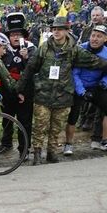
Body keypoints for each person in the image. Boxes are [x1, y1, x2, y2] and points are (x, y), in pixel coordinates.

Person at [17, 16, 107, 166]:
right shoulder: (44, 48)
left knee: (56, 127)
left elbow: (95, 61)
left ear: (67, 31)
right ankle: (37, 154)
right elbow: (30, 68)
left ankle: (52, 152)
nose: (56, 31)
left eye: (59, 29)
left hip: (63, 95)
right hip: (43, 94)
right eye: (53, 29)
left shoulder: (74, 50)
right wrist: (20, 88)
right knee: (40, 126)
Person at [0, 12, 36, 159]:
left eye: (18, 34)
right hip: (7, 92)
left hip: (26, 92)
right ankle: (6, 144)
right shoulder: (2, 49)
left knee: (25, 121)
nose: (15, 37)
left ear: (23, 36)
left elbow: (34, 69)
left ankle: (24, 149)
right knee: (6, 119)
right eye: (12, 34)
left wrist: (26, 58)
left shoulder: (31, 49)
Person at [65, 25, 107, 153]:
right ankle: (68, 144)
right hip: (80, 87)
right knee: (73, 115)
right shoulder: (80, 49)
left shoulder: (106, 52)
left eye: (99, 36)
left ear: (105, 39)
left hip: (97, 85)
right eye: (93, 36)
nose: (95, 39)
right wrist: (82, 91)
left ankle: (104, 140)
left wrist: (104, 83)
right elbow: (74, 73)